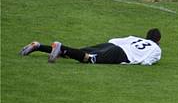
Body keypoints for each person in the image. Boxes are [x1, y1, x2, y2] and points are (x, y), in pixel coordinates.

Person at [19, 28, 162, 65]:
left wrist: (107, 48)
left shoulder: (135, 38)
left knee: (77, 53)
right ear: (158, 40)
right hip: (121, 55)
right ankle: (60, 46)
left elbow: (114, 40)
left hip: (110, 45)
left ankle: (38, 46)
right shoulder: (156, 48)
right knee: (89, 59)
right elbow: (148, 61)